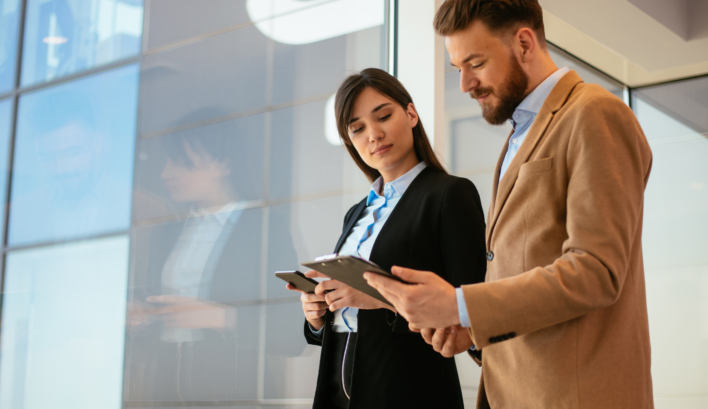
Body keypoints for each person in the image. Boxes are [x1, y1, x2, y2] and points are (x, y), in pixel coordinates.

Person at [364, 0, 654, 409]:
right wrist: (472, 329)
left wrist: (461, 303)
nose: (464, 84)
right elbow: (525, 265)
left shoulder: (594, 113)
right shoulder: (521, 133)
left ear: (524, 43)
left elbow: (596, 271)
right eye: (457, 69)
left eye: (475, 64)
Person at [288, 68, 487, 409]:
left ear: (411, 114)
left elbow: (469, 309)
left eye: (383, 116)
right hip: (339, 383)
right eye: (358, 128)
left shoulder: (449, 194)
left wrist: (376, 295)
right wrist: (318, 312)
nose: (374, 134)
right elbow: (349, 313)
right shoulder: (357, 212)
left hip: (409, 386)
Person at [125, 108, 303, 404]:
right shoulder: (167, 232)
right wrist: (144, 318)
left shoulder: (263, 227)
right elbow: (161, 318)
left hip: (232, 391)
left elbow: (292, 330)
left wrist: (219, 317)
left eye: (182, 162)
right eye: (168, 161)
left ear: (223, 163)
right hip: (165, 389)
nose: (166, 173)